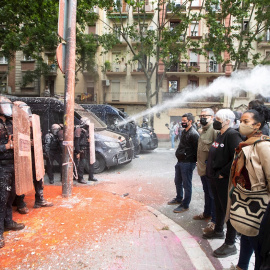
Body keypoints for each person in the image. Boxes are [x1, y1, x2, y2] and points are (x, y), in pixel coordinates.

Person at [227, 105, 270, 270]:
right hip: (243, 199)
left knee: (257, 241)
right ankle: (241, 266)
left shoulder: (263, 146)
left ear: (257, 125)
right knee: (245, 233)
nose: (241, 124)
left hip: (258, 204)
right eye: (241, 121)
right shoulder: (246, 144)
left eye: (246, 121)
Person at [203, 109, 242, 258]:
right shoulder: (220, 134)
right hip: (214, 178)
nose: (215, 121)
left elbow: (237, 156)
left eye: (218, 119)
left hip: (224, 180)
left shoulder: (232, 135)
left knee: (228, 210)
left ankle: (230, 243)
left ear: (227, 121)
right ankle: (218, 230)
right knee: (218, 206)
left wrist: (222, 173)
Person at [12, 101, 53, 214]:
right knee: (22, 179)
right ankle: (20, 203)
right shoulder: (14, 123)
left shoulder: (32, 123)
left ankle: (39, 199)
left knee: (38, 176)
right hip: (22, 157)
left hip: (33, 154)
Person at [0, 96, 25, 248]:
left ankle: (8, 222)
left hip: (13, 164)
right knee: (1, 200)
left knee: (10, 196)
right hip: (1, 166)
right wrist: (6, 147)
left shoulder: (10, 123)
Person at [168, 113, 199, 213]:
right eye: (182, 121)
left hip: (188, 162)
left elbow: (197, 150)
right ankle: (179, 198)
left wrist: (194, 161)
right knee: (177, 181)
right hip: (180, 161)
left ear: (190, 121)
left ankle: (185, 205)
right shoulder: (184, 132)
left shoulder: (194, 134)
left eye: (185, 121)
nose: (183, 123)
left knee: (187, 184)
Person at [193, 108, 217, 234]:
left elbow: (217, 152)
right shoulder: (203, 130)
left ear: (212, 117)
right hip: (202, 169)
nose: (202, 117)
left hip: (210, 170)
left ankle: (214, 220)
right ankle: (206, 213)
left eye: (205, 115)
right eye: (201, 115)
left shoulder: (214, 130)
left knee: (213, 195)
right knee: (207, 193)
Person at [74, 117, 98, 184]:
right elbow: (76, 142)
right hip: (82, 149)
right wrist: (78, 151)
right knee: (82, 164)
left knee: (92, 163)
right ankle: (80, 178)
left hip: (88, 148)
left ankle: (91, 176)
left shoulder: (88, 129)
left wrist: (90, 141)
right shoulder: (79, 130)